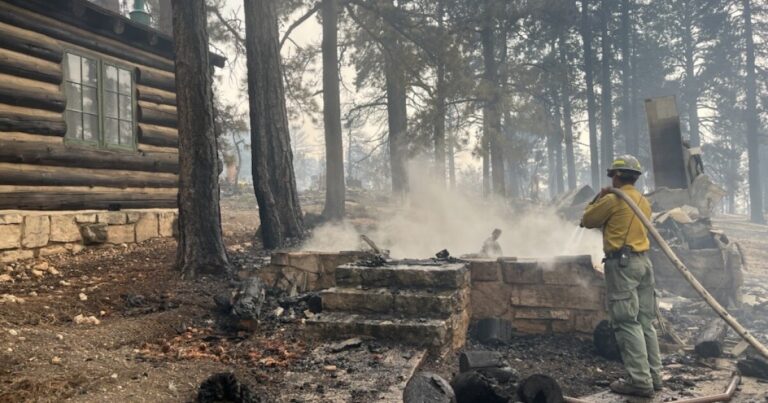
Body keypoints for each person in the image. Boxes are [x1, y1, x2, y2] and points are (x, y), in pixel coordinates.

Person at [581, 155, 662, 398]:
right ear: (635, 177)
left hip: (622, 265)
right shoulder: (643, 201)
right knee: (645, 322)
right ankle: (654, 377)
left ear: (615, 176)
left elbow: (587, 220)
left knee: (627, 322)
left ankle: (639, 382)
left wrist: (599, 197)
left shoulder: (613, 199)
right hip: (644, 263)